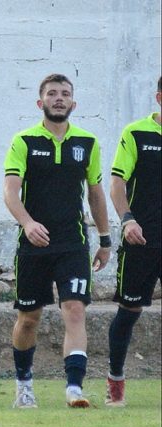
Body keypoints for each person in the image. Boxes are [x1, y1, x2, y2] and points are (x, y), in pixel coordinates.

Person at [3, 73, 112, 409]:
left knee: (75, 309)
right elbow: (10, 192)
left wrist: (105, 239)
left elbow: (95, 193)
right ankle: (24, 386)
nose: (59, 98)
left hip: (72, 245)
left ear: (73, 103)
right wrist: (28, 223)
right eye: (52, 93)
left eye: (65, 93)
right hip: (33, 246)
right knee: (29, 318)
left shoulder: (88, 143)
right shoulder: (24, 141)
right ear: (41, 102)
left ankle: (74, 389)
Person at [105, 76, 162, 407]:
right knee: (129, 310)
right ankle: (115, 382)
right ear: (159, 98)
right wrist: (127, 219)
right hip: (142, 240)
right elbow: (117, 182)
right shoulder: (136, 133)